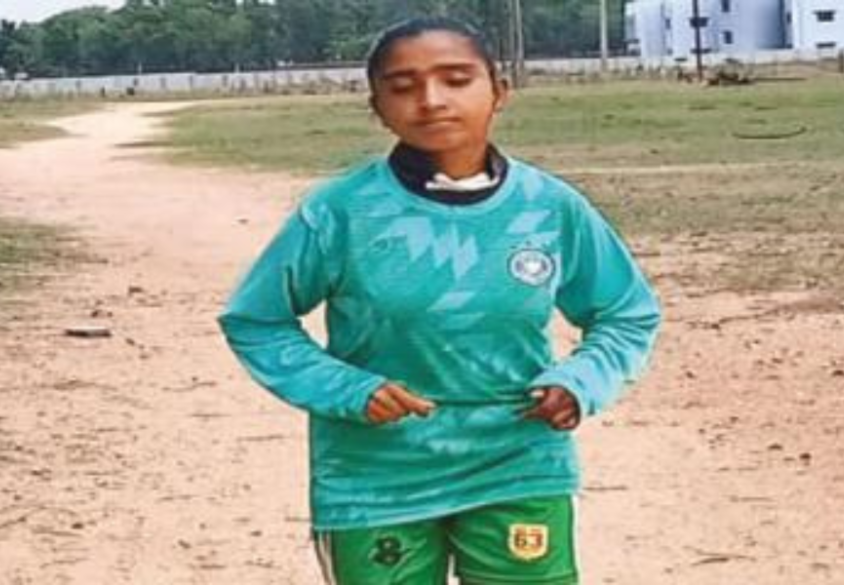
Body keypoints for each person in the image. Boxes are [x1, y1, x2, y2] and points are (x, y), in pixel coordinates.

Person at [219, 17, 660, 585]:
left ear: (499, 91)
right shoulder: (340, 212)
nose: (431, 100)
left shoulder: (550, 208)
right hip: (375, 477)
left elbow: (625, 312)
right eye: (403, 87)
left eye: (456, 79)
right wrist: (347, 388)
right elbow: (256, 319)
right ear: (378, 107)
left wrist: (581, 381)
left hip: (517, 463)